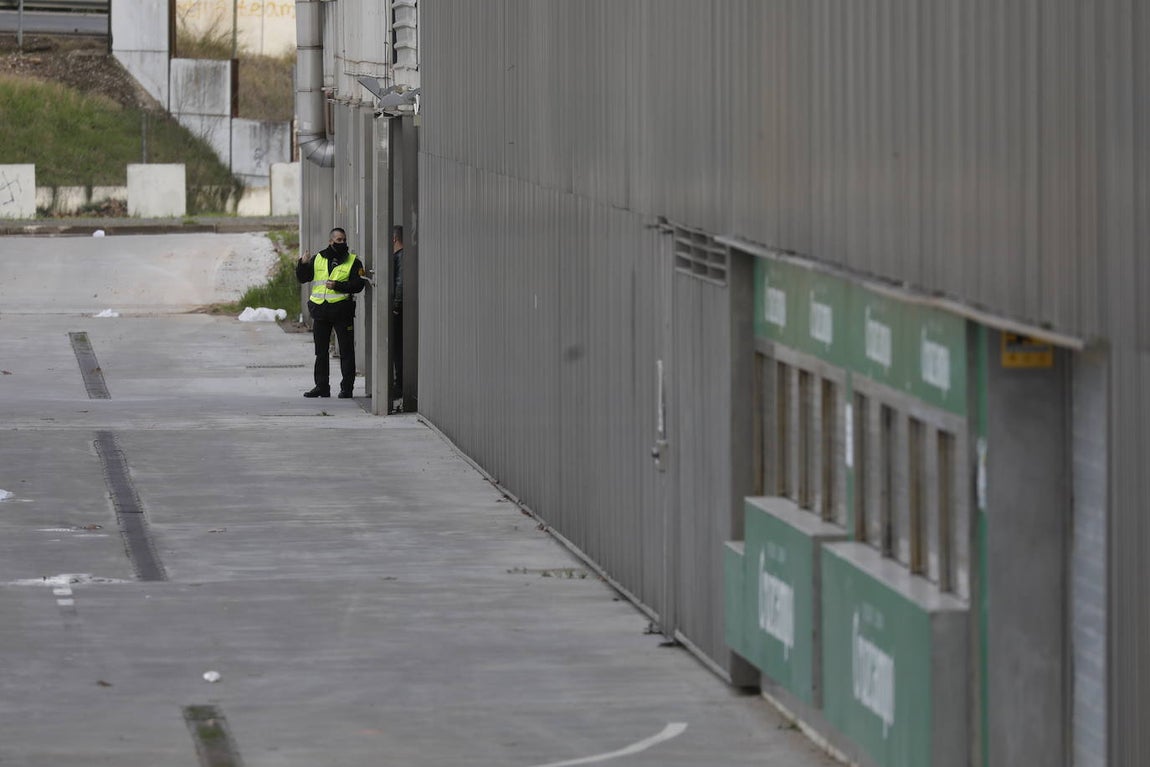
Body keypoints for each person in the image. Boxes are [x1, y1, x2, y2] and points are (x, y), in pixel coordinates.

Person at [296, 227, 366, 398]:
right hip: (321, 311)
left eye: (344, 240)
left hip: (342, 312)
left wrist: (338, 286)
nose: (342, 243)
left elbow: (359, 285)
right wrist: (302, 263)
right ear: (330, 241)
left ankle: (347, 388)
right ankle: (321, 387)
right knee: (320, 352)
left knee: (346, 351)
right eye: (339, 240)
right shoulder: (318, 258)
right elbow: (303, 278)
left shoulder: (353, 261)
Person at [390, 225, 404, 412]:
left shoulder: (400, 257)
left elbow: (400, 283)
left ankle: (399, 384)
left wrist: (395, 306)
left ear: (394, 239)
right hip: (399, 308)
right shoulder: (400, 257)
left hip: (398, 310)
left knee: (398, 349)